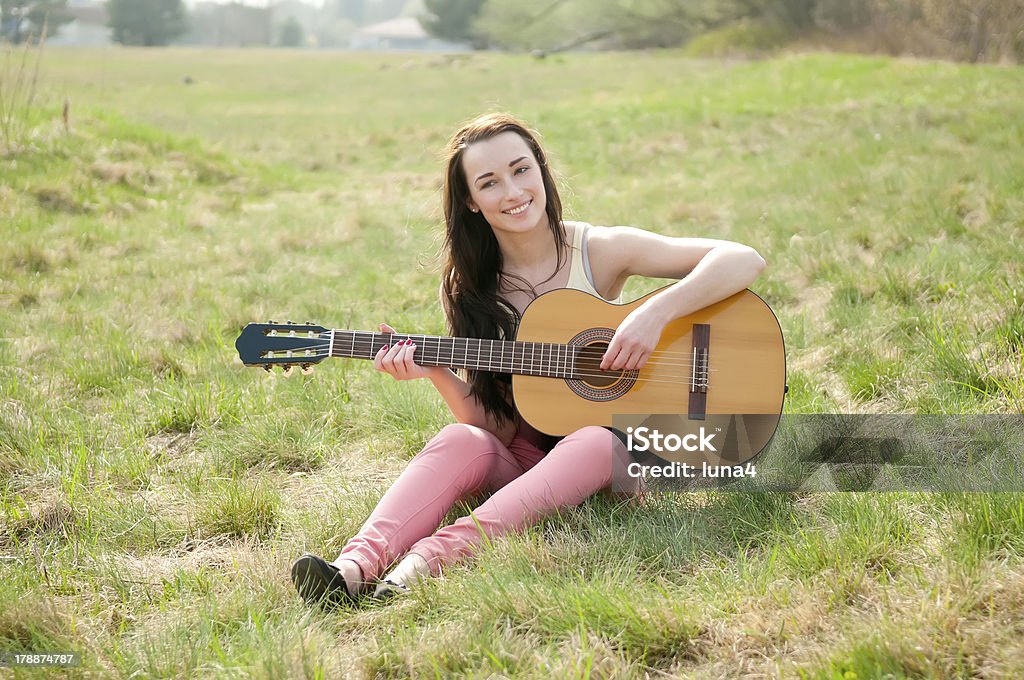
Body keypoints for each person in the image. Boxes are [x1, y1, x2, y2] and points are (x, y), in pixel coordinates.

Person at [291, 112, 766, 605]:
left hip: (622, 454)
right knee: (459, 439)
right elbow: (492, 427)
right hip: (526, 458)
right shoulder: (469, 289)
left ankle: (429, 560)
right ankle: (353, 567)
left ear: (541, 169)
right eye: (489, 182)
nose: (513, 192)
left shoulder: (598, 250)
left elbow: (743, 258)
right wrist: (435, 370)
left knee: (593, 442)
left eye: (521, 170)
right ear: (471, 203)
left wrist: (656, 315)